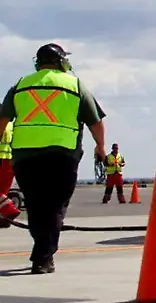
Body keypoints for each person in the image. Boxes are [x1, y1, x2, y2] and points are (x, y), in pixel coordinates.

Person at [0, 43, 106, 274]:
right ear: (61, 61)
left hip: (25, 155)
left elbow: (2, 119)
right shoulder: (74, 84)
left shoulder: (20, 85)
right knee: (55, 206)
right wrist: (100, 147)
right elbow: (95, 121)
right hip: (63, 155)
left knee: (37, 206)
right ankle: (43, 257)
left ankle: (42, 252)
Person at [0, 120, 19, 227]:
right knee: (3, 192)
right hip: (10, 160)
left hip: (2, 160)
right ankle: (5, 219)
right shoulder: (11, 125)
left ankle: (10, 210)